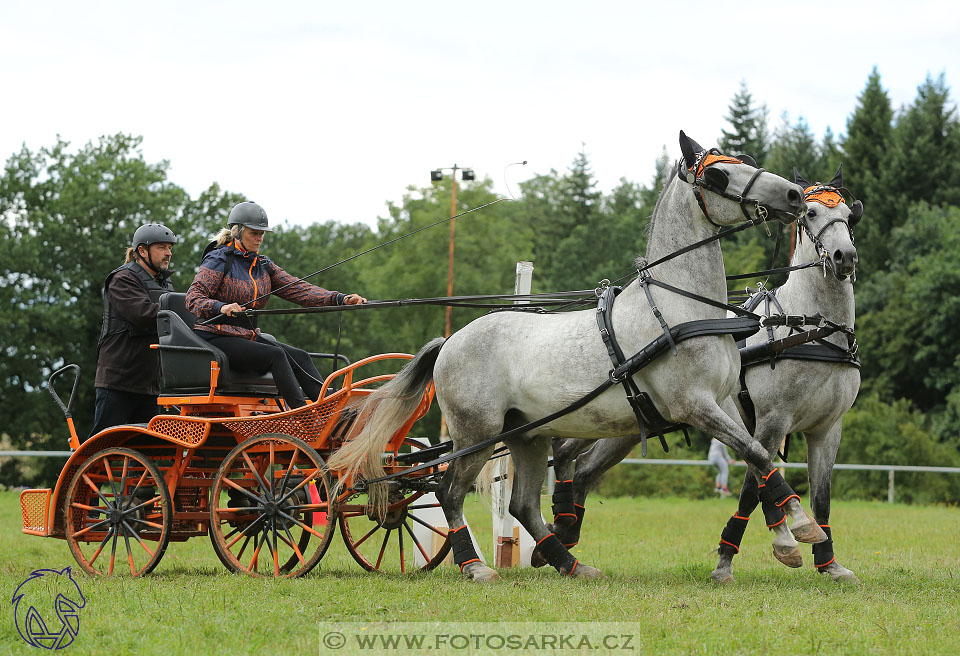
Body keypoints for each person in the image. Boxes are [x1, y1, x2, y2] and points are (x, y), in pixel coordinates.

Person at [185, 201, 366, 409]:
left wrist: (339, 298)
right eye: (254, 233)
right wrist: (221, 307)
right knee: (276, 355)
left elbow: (299, 289)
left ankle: (331, 413)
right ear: (238, 231)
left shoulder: (262, 265)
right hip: (215, 335)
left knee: (301, 356)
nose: (260, 238)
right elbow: (193, 298)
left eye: (262, 233)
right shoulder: (219, 259)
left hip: (246, 336)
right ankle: (301, 416)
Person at [90, 223, 178, 437]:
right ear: (142, 251)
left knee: (142, 454)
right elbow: (143, 314)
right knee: (101, 449)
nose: (168, 253)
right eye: (162, 247)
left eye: (170, 248)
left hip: (149, 385)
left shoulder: (167, 287)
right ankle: (80, 472)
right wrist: (184, 312)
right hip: (118, 381)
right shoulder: (123, 279)